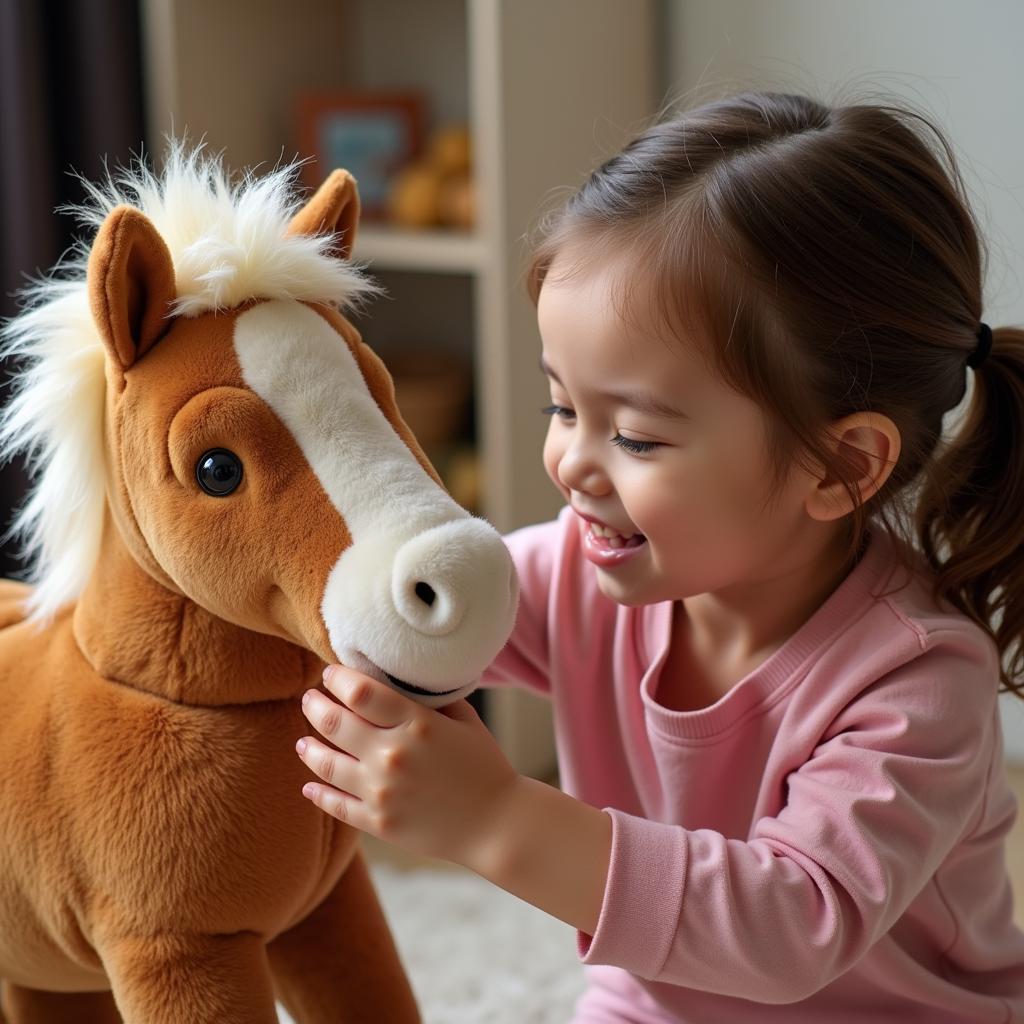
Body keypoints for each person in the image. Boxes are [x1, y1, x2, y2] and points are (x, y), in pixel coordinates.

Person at [294, 91, 1024, 1021]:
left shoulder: (917, 683)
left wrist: (494, 818)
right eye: (563, 408)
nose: (571, 464)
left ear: (842, 465)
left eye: (635, 437)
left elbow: (791, 924)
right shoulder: (581, 573)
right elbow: (409, 608)